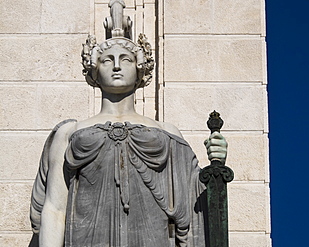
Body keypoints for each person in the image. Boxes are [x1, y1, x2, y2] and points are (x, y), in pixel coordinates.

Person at [30, 5, 227, 247]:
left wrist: (216, 163)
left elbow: (193, 203)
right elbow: (55, 207)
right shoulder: (69, 132)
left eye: (125, 59)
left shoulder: (167, 132)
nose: (115, 66)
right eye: (106, 60)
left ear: (140, 68)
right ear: (93, 69)